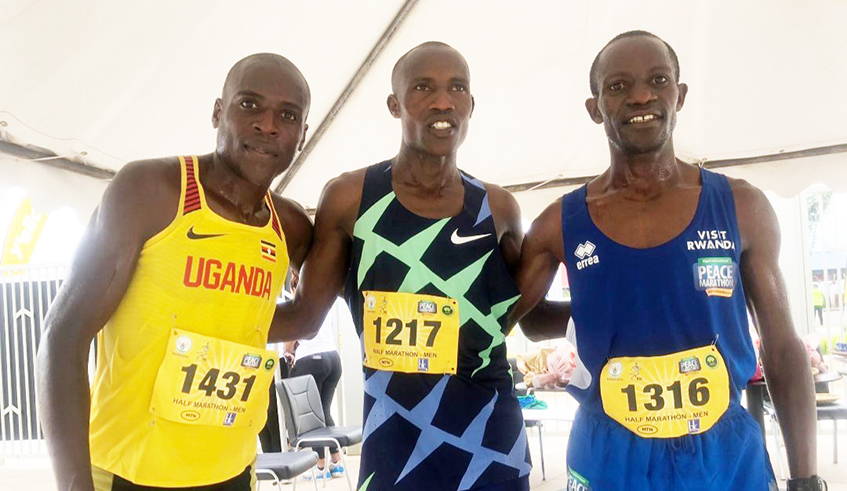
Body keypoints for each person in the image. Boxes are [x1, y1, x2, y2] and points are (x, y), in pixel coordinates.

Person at [511, 31, 822, 490]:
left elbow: (781, 347)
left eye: (658, 79)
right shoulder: (558, 222)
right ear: (595, 108)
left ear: (680, 95)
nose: (641, 95)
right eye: (617, 86)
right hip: (608, 453)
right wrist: (605, 311)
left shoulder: (742, 206)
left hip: (724, 455)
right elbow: (526, 320)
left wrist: (807, 479)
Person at [36, 53, 314, 491]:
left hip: (235, 473)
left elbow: (306, 318)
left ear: (302, 134)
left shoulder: (290, 227)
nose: (268, 124)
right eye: (249, 105)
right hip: (128, 473)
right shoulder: (151, 190)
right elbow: (62, 336)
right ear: (218, 112)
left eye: (288, 114)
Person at [279, 41, 532, 490]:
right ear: (395, 104)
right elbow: (306, 312)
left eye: (457, 88)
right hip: (393, 437)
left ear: (471, 104)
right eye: (423, 87)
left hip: (488, 437)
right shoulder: (348, 199)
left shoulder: (498, 207)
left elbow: (508, 316)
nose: (443, 101)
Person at [282, 271, 345, 479]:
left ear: (295, 287)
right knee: (324, 411)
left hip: (311, 360)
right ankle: (336, 463)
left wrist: (288, 351)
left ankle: (319, 467)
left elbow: (291, 336)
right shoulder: (324, 301)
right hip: (333, 359)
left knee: (314, 419)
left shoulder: (297, 303)